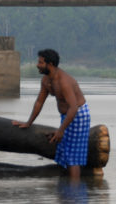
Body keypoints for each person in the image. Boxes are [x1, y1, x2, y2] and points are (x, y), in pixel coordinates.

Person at [12, 49, 90, 180]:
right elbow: (39, 102)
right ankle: (66, 191)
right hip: (66, 115)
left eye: (40, 62)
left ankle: (74, 193)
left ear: (50, 64)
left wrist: (61, 130)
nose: (37, 65)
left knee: (73, 157)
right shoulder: (46, 80)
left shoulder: (63, 82)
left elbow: (73, 108)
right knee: (64, 152)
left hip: (78, 115)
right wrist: (28, 122)